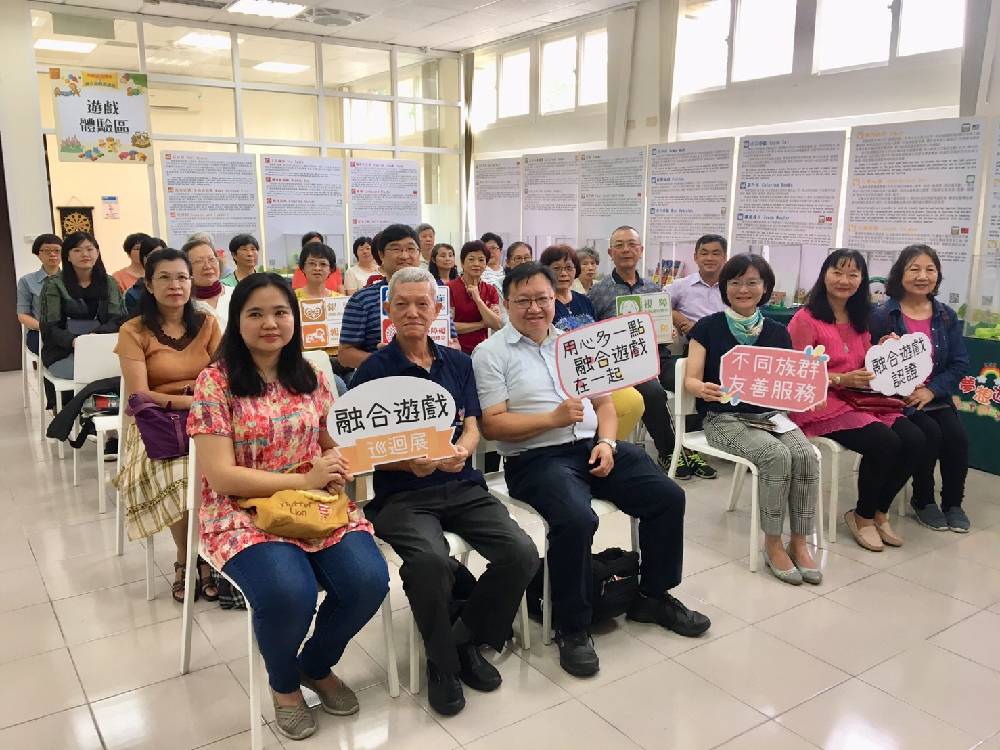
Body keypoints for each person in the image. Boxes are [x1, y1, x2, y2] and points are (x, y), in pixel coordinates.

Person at [473, 263, 710, 678]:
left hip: (591, 446)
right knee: (576, 519)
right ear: (505, 303)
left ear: (554, 300)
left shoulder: (573, 343)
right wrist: (551, 419)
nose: (535, 308)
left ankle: (653, 595)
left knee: (667, 497)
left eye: (542, 299)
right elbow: (492, 425)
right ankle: (573, 625)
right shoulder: (490, 353)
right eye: (523, 300)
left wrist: (606, 442)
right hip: (534, 458)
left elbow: (604, 406)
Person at [188, 273, 388, 741]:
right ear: (236, 322)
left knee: (368, 581)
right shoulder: (215, 383)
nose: (270, 323)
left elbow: (329, 443)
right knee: (287, 593)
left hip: (314, 504)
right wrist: (306, 476)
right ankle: (284, 686)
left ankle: (314, 665)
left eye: (280, 312)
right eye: (254, 313)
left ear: (294, 319)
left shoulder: (313, 376)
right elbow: (221, 475)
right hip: (241, 512)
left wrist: (340, 466)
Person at [352, 266, 537, 716]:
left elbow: (472, 424)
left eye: (422, 304)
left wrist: (463, 449)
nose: (413, 312)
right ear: (389, 311)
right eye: (402, 305)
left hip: (460, 482)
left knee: (521, 553)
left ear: (437, 309)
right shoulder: (373, 371)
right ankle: (445, 665)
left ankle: (459, 642)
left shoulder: (457, 362)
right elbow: (357, 452)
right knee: (430, 562)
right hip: (401, 495)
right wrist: (404, 462)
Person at [684, 254, 822, 585]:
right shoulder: (708, 327)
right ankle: (772, 542)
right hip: (723, 417)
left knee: (804, 455)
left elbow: (787, 384)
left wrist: (810, 392)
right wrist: (702, 388)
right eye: (735, 282)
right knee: (775, 456)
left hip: (770, 416)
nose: (743, 289)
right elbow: (690, 379)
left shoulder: (777, 331)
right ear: (724, 287)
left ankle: (799, 541)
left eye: (752, 282)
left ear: (765, 288)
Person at [788, 249, 932, 552]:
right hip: (821, 402)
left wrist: (884, 353)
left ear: (862, 280)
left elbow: (865, 362)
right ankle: (863, 516)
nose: (845, 280)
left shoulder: (859, 317)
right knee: (886, 443)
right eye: (837, 272)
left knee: (917, 440)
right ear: (824, 274)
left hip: (861, 398)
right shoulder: (806, 319)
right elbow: (795, 375)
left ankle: (880, 510)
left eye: (853, 274)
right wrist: (840, 379)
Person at [114, 248, 222, 603]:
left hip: (207, 417)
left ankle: (213, 553)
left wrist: (206, 404)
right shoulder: (133, 330)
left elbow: (225, 376)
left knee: (227, 470)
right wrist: (193, 402)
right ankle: (187, 559)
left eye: (182, 277)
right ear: (148, 284)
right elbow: (140, 395)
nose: (175, 285)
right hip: (157, 423)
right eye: (165, 277)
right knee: (182, 477)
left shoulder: (206, 323)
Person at [588, 226, 717, 480]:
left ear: (641, 250)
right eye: (620, 245)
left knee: (693, 379)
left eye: (632, 245)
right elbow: (591, 335)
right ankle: (669, 449)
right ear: (610, 252)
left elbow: (663, 324)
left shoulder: (655, 288)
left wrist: (669, 330)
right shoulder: (598, 292)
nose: (626, 250)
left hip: (659, 354)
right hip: (624, 362)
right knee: (653, 391)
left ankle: (690, 444)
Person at [870, 244, 971, 533]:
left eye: (929, 269)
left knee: (957, 438)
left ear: (938, 276)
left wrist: (932, 390)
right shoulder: (882, 315)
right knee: (930, 435)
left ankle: (953, 503)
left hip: (934, 395)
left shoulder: (946, 316)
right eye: (914, 269)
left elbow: (960, 362)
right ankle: (923, 499)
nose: (922, 276)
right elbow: (869, 361)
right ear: (900, 274)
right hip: (897, 398)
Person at [540, 244, 645, 442]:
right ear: (545, 271)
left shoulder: (584, 300)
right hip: (562, 376)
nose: (563, 274)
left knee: (635, 401)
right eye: (556, 268)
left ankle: (607, 446)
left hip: (596, 371)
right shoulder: (544, 303)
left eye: (569, 268)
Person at [338, 224, 457, 372]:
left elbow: (454, 342)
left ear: (419, 253)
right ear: (381, 255)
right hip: (383, 383)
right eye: (396, 249)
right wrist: (384, 360)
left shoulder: (436, 295)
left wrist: (453, 348)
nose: (404, 255)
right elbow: (344, 354)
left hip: (435, 378)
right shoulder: (361, 299)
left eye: (411, 249)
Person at [39, 232, 126, 379]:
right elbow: (49, 327)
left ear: (97, 253)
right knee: (89, 373)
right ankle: (73, 402)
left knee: (120, 371)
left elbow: (118, 319)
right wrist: (75, 341)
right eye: (77, 250)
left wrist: (95, 337)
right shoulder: (54, 284)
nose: (85, 254)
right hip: (64, 351)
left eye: (90, 249)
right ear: (67, 256)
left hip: (103, 347)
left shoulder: (109, 282)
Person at [293, 242, 348, 395]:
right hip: (309, 359)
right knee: (339, 386)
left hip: (340, 359)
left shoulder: (340, 300)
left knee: (357, 380)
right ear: (302, 268)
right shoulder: (291, 298)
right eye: (312, 263)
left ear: (331, 269)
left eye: (323, 264)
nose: (317, 268)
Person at [668, 233, 726, 340]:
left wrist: (698, 329)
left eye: (715, 254)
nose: (709, 258)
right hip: (692, 344)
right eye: (704, 254)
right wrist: (676, 317)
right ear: (696, 257)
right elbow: (659, 307)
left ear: (725, 257)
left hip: (725, 346)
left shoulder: (733, 288)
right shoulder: (680, 285)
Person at [448, 241, 502, 354]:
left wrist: (478, 299)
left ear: (486, 264)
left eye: (481, 260)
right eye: (471, 259)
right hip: (455, 350)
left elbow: (497, 324)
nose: (476, 264)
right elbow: (449, 326)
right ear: (462, 263)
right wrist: (481, 324)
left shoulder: (491, 290)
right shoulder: (449, 288)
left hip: (482, 350)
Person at [17, 233, 62, 355]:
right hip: (40, 332)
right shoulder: (27, 281)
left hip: (69, 330)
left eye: (57, 250)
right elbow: (22, 315)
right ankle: (50, 372)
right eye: (47, 251)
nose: (53, 254)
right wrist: (44, 328)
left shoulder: (72, 279)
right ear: (38, 254)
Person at [183, 237, 233, 330]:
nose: (207, 266)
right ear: (187, 268)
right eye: (199, 261)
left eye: (211, 259)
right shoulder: (183, 303)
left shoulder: (237, 294)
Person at [123, 236, 167, 315]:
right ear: (142, 259)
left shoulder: (177, 285)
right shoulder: (133, 293)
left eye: (161, 256)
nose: (157, 260)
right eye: (151, 256)